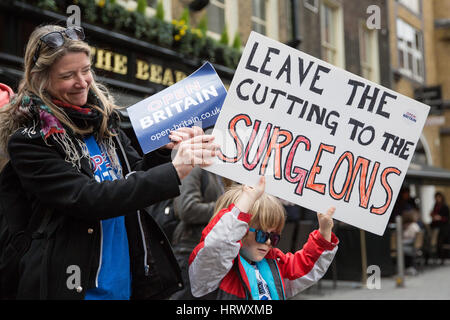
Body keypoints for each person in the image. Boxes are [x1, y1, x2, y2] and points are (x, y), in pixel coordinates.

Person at [0, 24, 218, 300]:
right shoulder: (30, 141)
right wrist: (175, 170)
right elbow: (87, 198)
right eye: (68, 75)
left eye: (86, 70)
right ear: (40, 79)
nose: (82, 82)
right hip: (71, 289)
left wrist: (164, 151)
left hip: (123, 284)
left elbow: (134, 177)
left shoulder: (103, 123)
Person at [188, 176, 338, 300]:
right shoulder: (214, 270)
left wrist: (324, 232)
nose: (268, 242)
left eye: (274, 237)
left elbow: (305, 266)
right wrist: (246, 201)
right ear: (240, 229)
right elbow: (218, 245)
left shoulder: (274, 263)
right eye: (262, 234)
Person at [169, 167, 225, 299]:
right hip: (190, 249)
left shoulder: (216, 173)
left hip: (207, 252)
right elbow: (187, 209)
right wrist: (225, 208)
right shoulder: (196, 168)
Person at [430, 192, 450, 263]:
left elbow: (447, 218)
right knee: (435, 242)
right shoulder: (435, 205)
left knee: (440, 242)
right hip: (435, 226)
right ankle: (438, 257)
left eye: (439, 197)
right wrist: (433, 215)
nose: (437, 199)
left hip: (443, 227)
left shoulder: (445, 206)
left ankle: (442, 258)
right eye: (436, 197)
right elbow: (433, 213)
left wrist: (440, 218)